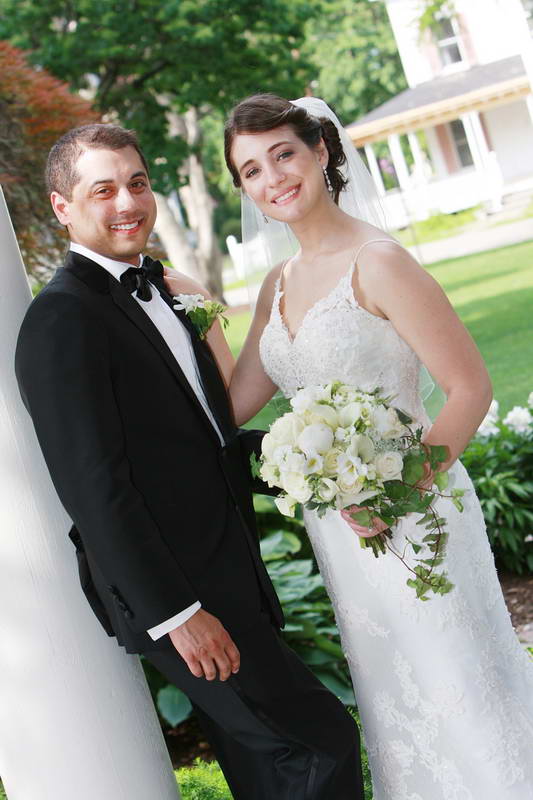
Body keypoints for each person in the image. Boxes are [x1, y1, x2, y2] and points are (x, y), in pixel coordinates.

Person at [14, 123, 365, 800]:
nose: (127, 202)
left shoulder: (167, 292)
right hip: (178, 596)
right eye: (103, 189)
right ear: (63, 207)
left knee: (268, 768)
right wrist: (177, 613)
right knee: (318, 740)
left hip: (230, 573)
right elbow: (94, 488)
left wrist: (319, 469)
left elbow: (204, 440)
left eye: (137, 182)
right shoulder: (61, 321)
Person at [215, 93, 533, 799]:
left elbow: (468, 388)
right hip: (342, 531)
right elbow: (233, 404)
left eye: (283, 154)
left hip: (417, 511)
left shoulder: (379, 261)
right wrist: (196, 316)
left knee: (459, 681)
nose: (272, 179)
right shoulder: (275, 285)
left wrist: (397, 492)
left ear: (320, 151)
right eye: (251, 170)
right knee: (396, 691)